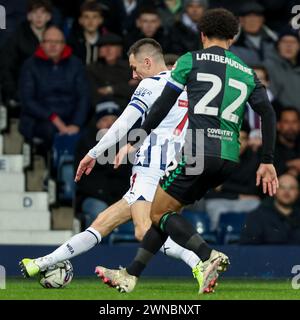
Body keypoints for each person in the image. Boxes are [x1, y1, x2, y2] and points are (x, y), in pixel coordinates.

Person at [95, 8, 279, 294]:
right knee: (167, 210)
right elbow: (267, 114)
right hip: (230, 158)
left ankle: (207, 256)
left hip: (197, 155)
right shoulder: (247, 71)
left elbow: (164, 103)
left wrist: (136, 139)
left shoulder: (189, 61)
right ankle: (130, 275)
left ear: (202, 34)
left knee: (157, 212)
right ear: (233, 37)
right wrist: (267, 160)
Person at [20, 38, 207, 290]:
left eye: (134, 67)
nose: (133, 74)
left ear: (148, 62)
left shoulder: (151, 84)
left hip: (151, 170)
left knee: (143, 230)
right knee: (102, 223)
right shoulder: (189, 90)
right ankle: (42, 262)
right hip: (175, 168)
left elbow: (122, 123)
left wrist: (94, 153)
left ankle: (200, 262)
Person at [18, 26, 90, 149]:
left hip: (71, 117)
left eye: (57, 42)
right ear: (42, 44)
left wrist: (76, 124)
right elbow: (27, 100)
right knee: (49, 132)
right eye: (48, 41)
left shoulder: (75, 64)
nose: (53, 45)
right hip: (40, 119)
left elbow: (84, 96)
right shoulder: (30, 65)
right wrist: (53, 118)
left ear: (64, 45)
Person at [74, 101, 131, 226]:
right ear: (97, 123)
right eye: (105, 120)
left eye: (114, 120)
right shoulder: (87, 143)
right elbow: (82, 179)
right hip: (94, 197)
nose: (110, 124)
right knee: (101, 211)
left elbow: (129, 175)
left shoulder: (127, 143)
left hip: (121, 197)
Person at [205, 121, 261, 231]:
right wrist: (237, 195)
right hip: (219, 202)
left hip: (243, 202)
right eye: (235, 137)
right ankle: (216, 243)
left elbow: (252, 190)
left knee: (256, 204)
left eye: (243, 139)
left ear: (248, 141)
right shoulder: (216, 157)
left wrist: (223, 187)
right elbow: (208, 193)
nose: (238, 143)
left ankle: (248, 241)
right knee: (215, 207)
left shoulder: (253, 159)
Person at [1, 0, 52, 106]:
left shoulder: (56, 37)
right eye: (35, 13)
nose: (39, 17)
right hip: (23, 93)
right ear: (29, 16)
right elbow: (6, 67)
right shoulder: (17, 37)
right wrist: (14, 93)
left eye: (42, 13)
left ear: (49, 17)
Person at [240, 174, 300, 244]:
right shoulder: (257, 216)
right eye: (281, 187)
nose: (286, 191)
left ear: (297, 192)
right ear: (274, 189)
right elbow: (247, 248)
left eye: (292, 188)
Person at [86, 33, 136, 109]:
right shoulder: (91, 69)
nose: (108, 49)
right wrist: (124, 86)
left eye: (113, 45)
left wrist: (111, 89)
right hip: (99, 110)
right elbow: (92, 93)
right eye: (104, 46)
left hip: (126, 110)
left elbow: (135, 91)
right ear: (99, 50)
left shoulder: (131, 67)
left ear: (120, 49)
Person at [264, 29, 300, 111]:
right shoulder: (268, 67)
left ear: (299, 46)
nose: (289, 45)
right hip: (281, 120)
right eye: (284, 41)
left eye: (293, 42)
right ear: (278, 45)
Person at [274, 107, 300, 178]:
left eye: (294, 122)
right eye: (286, 122)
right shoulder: (268, 148)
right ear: (278, 125)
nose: (291, 126)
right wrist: (290, 164)